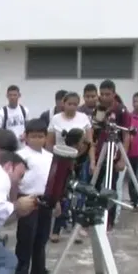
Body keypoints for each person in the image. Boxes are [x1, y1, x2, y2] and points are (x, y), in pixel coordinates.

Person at [47, 92, 94, 241]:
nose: (72, 107)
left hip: (80, 160)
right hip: (61, 160)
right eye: (69, 104)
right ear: (63, 103)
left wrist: (92, 161)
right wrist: (49, 161)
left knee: (79, 195)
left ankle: (76, 227)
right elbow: (49, 143)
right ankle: (57, 228)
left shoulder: (83, 118)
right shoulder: (56, 119)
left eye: (75, 104)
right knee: (62, 195)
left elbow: (90, 142)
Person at [12, 119, 53, 274]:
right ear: (26, 137)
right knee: (25, 238)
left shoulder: (50, 156)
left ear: (45, 138)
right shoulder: (21, 155)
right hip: (27, 198)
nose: (37, 139)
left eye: (40, 136)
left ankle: (38, 269)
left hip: (45, 198)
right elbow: (14, 180)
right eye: (33, 136)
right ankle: (20, 273)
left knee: (42, 237)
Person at [94, 79, 131, 230]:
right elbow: (96, 128)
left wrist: (123, 159)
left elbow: (127, 135)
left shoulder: (122, 110)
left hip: (115, 153)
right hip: (99, 153)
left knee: (111, 188)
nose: (104, 97)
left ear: (114, 94)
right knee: (95, 186)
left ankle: (109, 220)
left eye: (107, 94)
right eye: (102, 94)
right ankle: (94, 217)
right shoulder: (99, 108)